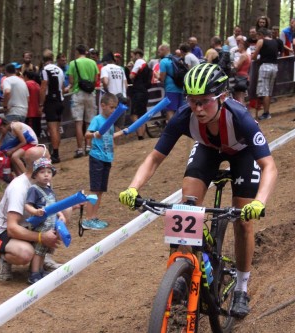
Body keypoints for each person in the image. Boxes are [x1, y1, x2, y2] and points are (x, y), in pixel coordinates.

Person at [118, 63, 278, 319]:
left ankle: (241, 287)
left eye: (205, 101)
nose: (198, 109)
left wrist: (260, 201)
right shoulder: (184, 116)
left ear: (222, 97)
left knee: (243, 220)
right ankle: (182, 265)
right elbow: (154, 158)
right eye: (193, 102)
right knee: (186, 206)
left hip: (242, 153)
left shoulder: (241, 118)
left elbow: (269, 166)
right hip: (207, 149)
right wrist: (133, 188)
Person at [0, 145, 65, 282]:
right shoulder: (19, 188)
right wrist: (42, 237)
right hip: (3, 233)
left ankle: (42, 258)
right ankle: (5, 258)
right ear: (39, 164)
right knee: (25, 253)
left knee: (65, 210)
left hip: (30, 225)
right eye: (48, 159)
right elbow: (12, 228)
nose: (51, 162)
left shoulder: (43, 180)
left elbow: (50, 205)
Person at [82, 93, 123, 230]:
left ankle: (94, 217)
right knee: (94, 189)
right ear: (103, 106)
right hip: (97, 158)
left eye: (115, 108)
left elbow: (110, 136)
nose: (113, 110)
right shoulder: (98, 119)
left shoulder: (110, 122)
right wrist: (95, 134)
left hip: (106, 158)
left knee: (100, 190)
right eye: (111, 107)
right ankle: (88, 219)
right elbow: (87, 134)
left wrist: (124, 132)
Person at [24, 157, 66, 284]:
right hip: (41, 226)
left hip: (50, 224)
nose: (46, 175)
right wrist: (35, 211)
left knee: (43, 251)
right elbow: (28, 205)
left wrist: (61, 215)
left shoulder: (50, 190)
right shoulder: (34, 189)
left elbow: (54, 205)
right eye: (42, 172)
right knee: (38, 250)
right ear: (35, 175)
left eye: (48, 172)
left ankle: (40, 270)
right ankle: (34, 273)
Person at [66, 44, 99, 158]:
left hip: (77, 93)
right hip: (91, 93)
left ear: (77, 52)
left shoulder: (73, 63)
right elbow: (95, 79)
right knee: (89, 122)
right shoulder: (93, 63)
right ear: (86, 52)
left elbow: (71, 80)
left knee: (78, 123)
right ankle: (88, 147)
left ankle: (80, 149)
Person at [41, 49, 65, 164]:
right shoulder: (59, 69)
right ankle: (56, 152)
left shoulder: (45, 70)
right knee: (57, 127)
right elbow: (61, 84)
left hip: (51, 101)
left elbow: (44, 86)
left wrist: (41, 103)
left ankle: (55, 154)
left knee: (53, 128)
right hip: (60, 100)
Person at [251, 27, 279, 120]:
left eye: (258, 36)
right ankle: (267, 111)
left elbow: (254, 56)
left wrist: (254, 57)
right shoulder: (275, 41)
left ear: (261, 35)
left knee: (264, 91)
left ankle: (266, 113)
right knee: (269, 90)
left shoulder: (261, 41)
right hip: (274, 66)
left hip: (265, 67)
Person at [100, 51, 128, 130]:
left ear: (105, 62)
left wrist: (106, 90)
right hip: (122, 98)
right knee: (119, 124)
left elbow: (105, 81)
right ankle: (116, 141)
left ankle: (110, 142)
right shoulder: (120, 69)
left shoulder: (105, 68)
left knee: (108, 122)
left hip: (111, 98)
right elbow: (126, 85)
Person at [129, 48, 152, 140]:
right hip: (144, 92)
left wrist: (130, 70)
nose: (132, 58)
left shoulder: (138, 62)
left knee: (134, 114)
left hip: (138, 91)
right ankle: (142, 135)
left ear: (137, 55)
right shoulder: (145, 64)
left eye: (132, 56)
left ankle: (140, 135)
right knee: (142, 114)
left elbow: (132, 76)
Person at [158, 44, 185, 121]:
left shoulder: (163, 61)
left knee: (170, 111)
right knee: (179, 111)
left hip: (170, 89)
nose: (158, 53)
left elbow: (162, 78)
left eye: (159, 51)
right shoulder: (177, 59)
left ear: (164, 50)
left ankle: (172, 130)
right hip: (180, 88)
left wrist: (157, 76)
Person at [232, 38, 252, 106]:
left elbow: (237, 67)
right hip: (245, 77)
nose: (238, 48)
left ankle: (241, 114)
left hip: (240, 78)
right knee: (242, 97)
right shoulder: (249, 55)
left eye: (239, 46)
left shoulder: (243, 55)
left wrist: (233, 62)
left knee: (239, 98)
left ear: (242, 46)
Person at [23, 70, 42, 137]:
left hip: (30, 113)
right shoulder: (37, 85)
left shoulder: (26, 84)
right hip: (37, 113)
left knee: (30, 133)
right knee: (36, 133)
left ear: (26, 76)